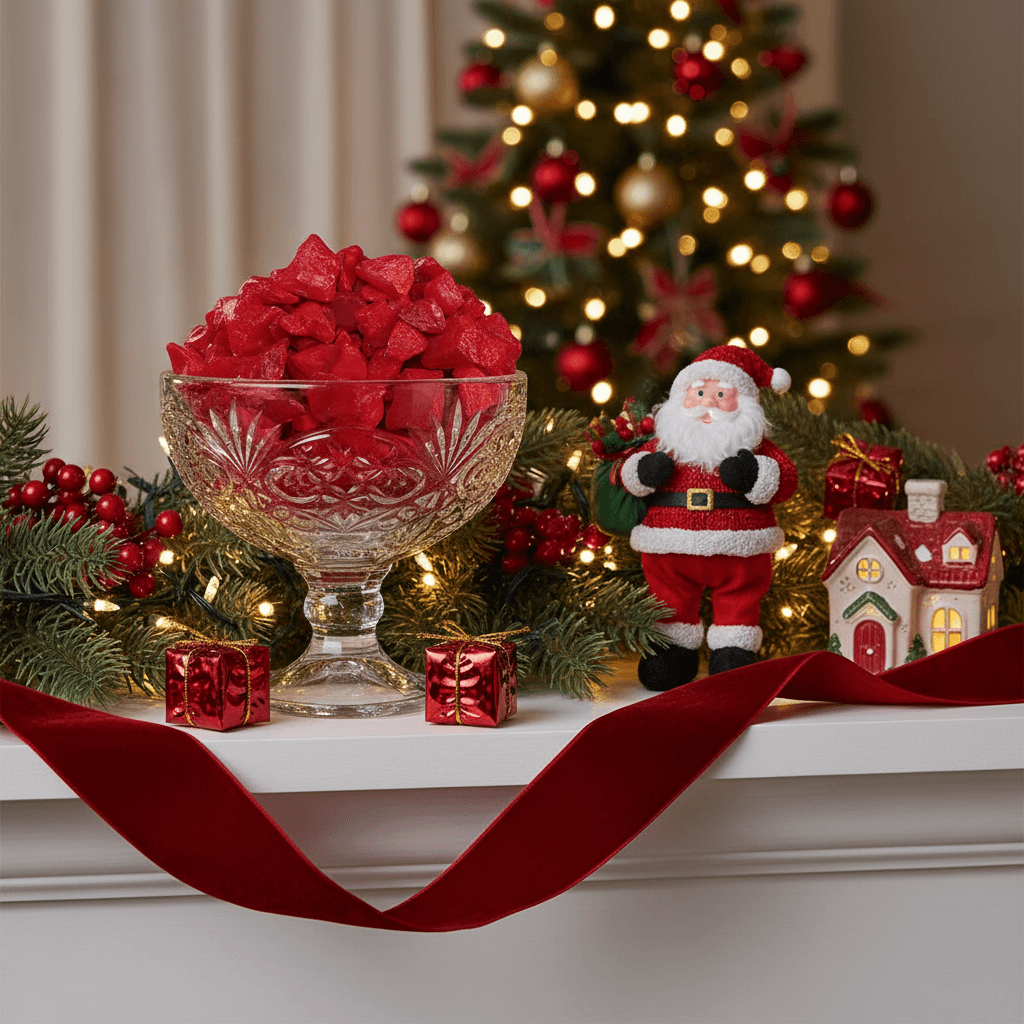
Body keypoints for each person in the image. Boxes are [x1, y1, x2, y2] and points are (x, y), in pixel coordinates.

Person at [619, 345, 798, 690]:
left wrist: (754, 475)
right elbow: (630, 476)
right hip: (669, 545)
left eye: (720, 395)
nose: (708, 403)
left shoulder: (757, 447)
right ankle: (671, 651)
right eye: (699, 393)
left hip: (738, 550)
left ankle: (734, 653)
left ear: (744, 403)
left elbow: (785, 479)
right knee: (668, 600)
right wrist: (644, 471)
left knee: (740, 600)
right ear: (680, 398)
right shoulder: (665, 443)